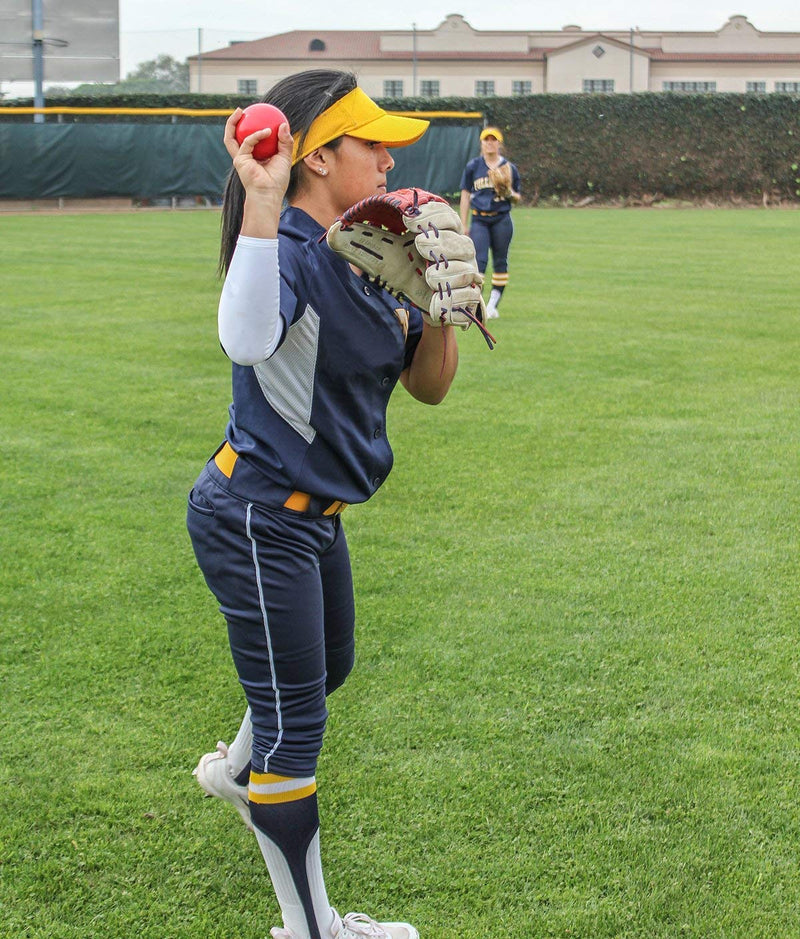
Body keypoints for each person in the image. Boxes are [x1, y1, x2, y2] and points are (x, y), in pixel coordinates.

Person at [186, 69, 475, 939]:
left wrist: (442, 303)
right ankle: (312, 929)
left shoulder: (369, 252)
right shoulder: (290, 255)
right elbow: (244, 336)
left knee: (325, 670)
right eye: (371, 144)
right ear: (316, 158)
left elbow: (429, 390)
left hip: (315, 520)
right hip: (257, 514)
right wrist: (263, 202)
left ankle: (240, 773)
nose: (389, 160)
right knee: (294, 726)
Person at [459, 126, 521, 319]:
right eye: (487, 140)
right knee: (479, 261)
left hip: (501, 218)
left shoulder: (509, 168)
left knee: (500, 261)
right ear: (482, 143)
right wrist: (463, 223)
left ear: (499, 144)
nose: (490, 143)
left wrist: (509, 193)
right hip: (479, 218)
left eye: (494, 140)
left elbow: (517, 198)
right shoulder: (474, 166)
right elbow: (465, 194)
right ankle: (475, 304)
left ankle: (492, 304)